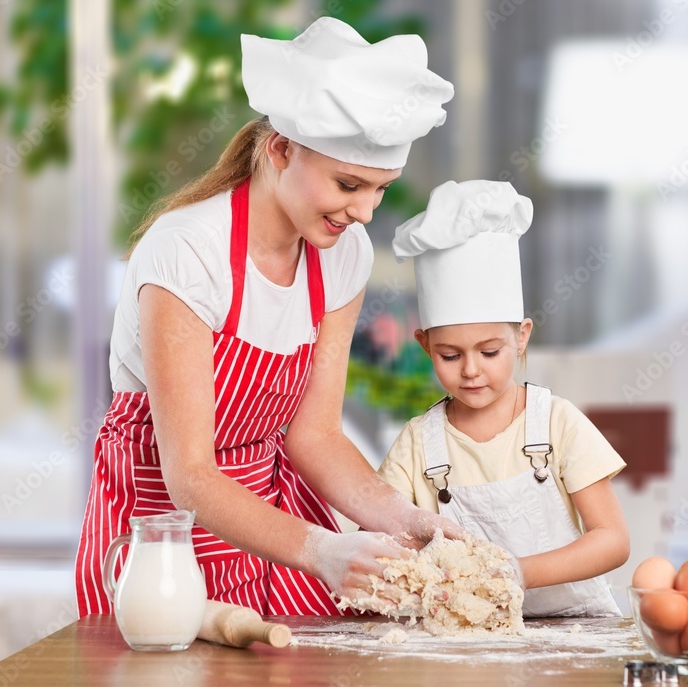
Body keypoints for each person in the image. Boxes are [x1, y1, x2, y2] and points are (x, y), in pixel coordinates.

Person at [75, 17, 463, 618]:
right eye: (348, 184)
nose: (363, 212)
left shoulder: (341, 254)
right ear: (280, 149)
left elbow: (315, 435)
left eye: (381, 190)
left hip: (274, 527)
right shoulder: (187, 253)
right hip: (161, 535)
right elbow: (192, 477)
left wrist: (408, 518)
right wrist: (324, 551)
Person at [378, 180, 631, 617]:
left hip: (576, 635)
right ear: (424, 346)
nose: (471, 370)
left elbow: (612, 540)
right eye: (450, 355)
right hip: (465, 637)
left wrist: (517, 571)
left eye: (490, 352)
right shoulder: (417, 444)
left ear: (522, 337)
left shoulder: (557, 423)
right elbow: (382, 540)